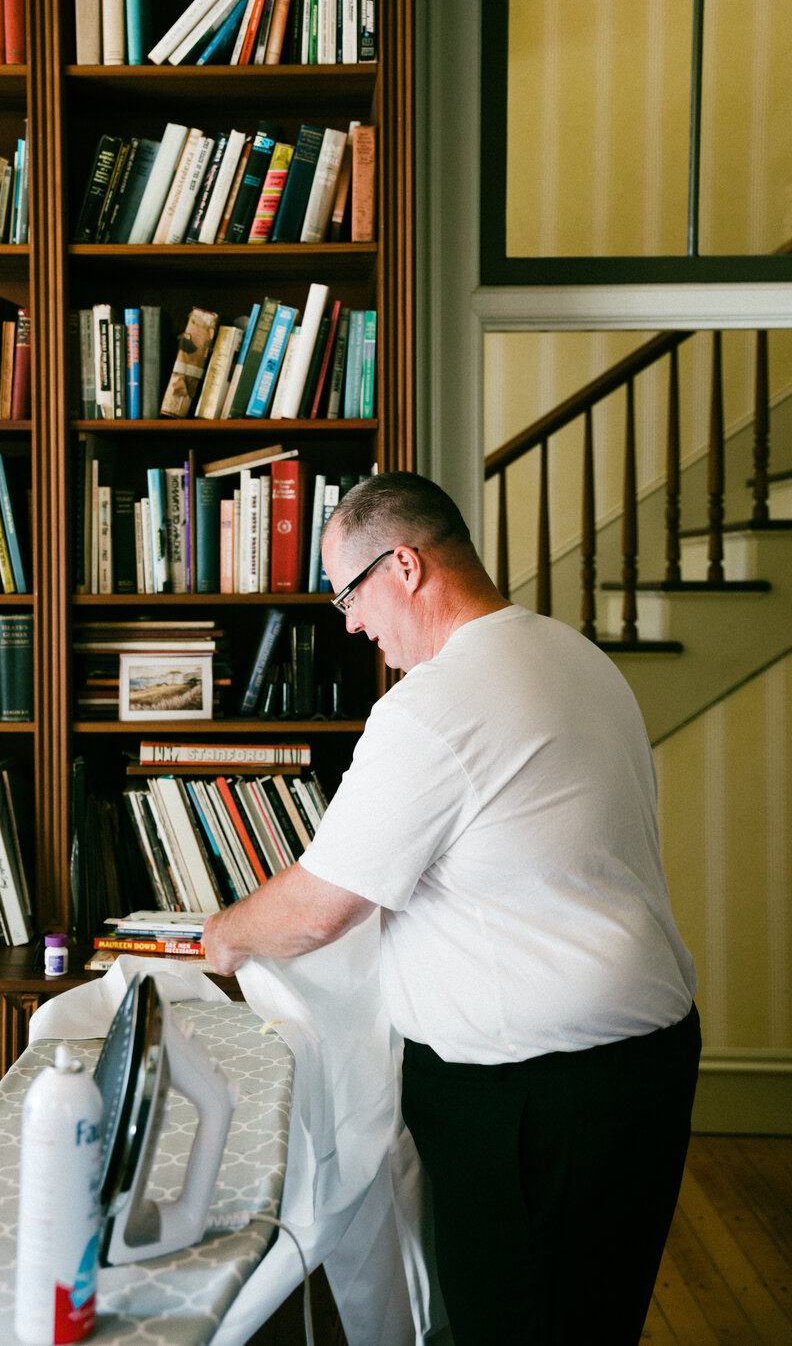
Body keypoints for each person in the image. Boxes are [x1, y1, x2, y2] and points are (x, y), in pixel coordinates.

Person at [202, 470, 700, 1345]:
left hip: (540, 1103)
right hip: (641, 1071)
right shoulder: (573, 653)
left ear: (404, 565)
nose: (347, 621)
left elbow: (320, 908)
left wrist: (222, 935)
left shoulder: (435, 706)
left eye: (346, 593)